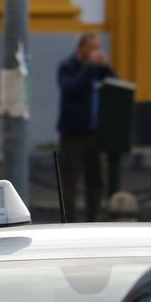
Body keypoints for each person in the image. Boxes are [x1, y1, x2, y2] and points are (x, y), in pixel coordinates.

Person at [56, 33, 114, 221]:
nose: (96, 52)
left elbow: (115, 84)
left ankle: (92, 218)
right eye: (92, 48)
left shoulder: (98, 70)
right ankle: (69, 220)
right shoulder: (68, 67)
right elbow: (71, 89)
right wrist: (89, 67)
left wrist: (106, 67)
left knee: (95, 180)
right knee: (70, 182)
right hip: (73, 133)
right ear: (81, 49)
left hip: (95, 133)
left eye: (98, 47)